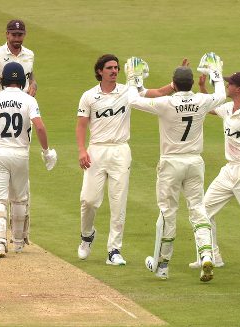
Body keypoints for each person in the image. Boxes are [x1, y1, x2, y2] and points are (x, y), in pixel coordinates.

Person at [129, 55, 226, 282]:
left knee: (167, 213)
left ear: (174, 83)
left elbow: (133, 101)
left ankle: (162, 265)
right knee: (198, 209)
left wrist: (134, 79)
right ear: (192, 83)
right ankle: (206, 255)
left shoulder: (166, 103)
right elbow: (221, 95)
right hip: (194, 162)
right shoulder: (202, 101)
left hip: (171, 163)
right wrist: (216, 74)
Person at [76, 54, 177, 265]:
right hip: (97, 150)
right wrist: (81, 150)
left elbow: (156, 93)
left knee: (118, 201)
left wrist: (175, 84)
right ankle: (87, 235)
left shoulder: (128, 90)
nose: (114, 71)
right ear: (99, 71)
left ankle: (114, 250)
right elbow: (81, 124)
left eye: (116, 68)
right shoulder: (88, 96)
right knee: (89, 200)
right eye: (110, 68)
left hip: (120, 151)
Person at [0, 62, 57, 257]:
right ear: (22, 81)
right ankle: (18, 241)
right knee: (19, 198)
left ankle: (0, 243)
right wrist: (46, 152)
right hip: (20, 155)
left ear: (4, 80)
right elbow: (40, 127)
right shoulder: (29, 100)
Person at [187, 71, 240, 268]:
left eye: (230, 84)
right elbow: (210, 108)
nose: (226, 86)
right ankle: (212, 256)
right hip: (229, 170)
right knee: (204, 211)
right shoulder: (228, 108)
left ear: (239, 89)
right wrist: (202, 88)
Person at [0, 19, 37, 97]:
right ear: (7, 34)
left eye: (20, 35)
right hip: (1, 105)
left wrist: (33, 84)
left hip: (24, 105)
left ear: (24, 34)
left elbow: (29, 75)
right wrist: (3, 78)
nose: (17, 39)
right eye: (14, 35)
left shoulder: (29, 54)